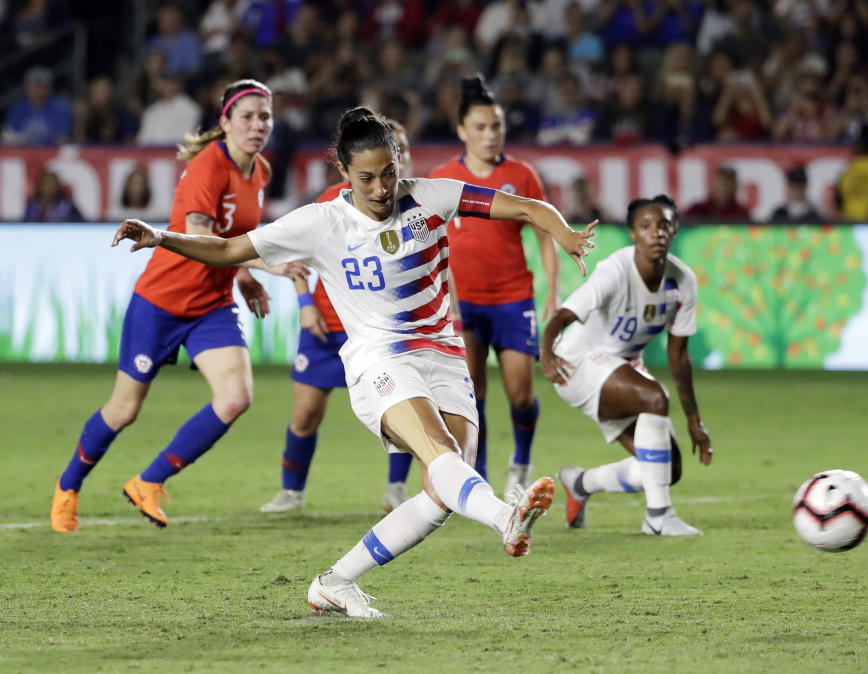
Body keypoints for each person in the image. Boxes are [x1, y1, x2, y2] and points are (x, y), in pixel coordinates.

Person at [110, 106, 596, 618]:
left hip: (445, 354)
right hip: (379, 359)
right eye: (367, 177)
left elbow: (524, 208)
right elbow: (230, 249)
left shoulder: (432, 195)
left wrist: (562, 233)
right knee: (442, 455)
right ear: (344, 173)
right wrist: (162, 237)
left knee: (440, 493)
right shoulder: (321, 224)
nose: (382, 187)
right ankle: (506, 518)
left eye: (389, 172)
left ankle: (335, 582)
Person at [50, 79, 306, 533]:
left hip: (212, 305)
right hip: (163, 301)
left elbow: (233, 236)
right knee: (124, 410)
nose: (257, 125)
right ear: (224, 121)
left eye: (264, 116)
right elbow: (203, 238)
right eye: (246, 116)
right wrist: (268, 265)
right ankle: (68, 485)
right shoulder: (209, 168)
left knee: (235, 398)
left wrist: (243, 275)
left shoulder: (260, 170)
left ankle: (149, 481)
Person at [260, 117, 418, 515]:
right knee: (306, 413)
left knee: (398, 414)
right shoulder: (334, 199)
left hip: (381, 332)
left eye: (396, 153)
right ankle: (291, 492)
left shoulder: (415, 207)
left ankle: (396, 489)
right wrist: (304, 303)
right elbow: (294, 253)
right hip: (327, 326)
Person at [542, 195, 713, 536]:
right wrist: (546, 351)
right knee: (655, 397)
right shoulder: (616, 270)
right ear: (633, 234)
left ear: (675, 230)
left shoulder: (682, 282)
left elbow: (679, 357)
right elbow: (563, 315)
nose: (656, 233)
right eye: (646, 226)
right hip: (576, 361)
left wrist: (695, 420)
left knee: (668, 469)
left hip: (621, 367)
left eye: (664, 225)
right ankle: (658, 517)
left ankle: (580, 482)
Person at [428, 74, 562, 504]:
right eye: (481, 127)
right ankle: (481, 475)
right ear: (462, 130)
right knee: (473, 392)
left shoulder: (521, 175)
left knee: (521, 391)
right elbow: (429, 242)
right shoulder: (443, 178)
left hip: (513, 297)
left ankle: (520, 463)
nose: (490, 135)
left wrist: (553, 294)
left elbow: (544, 234)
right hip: (463, 303)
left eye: (497, 127)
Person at [685, 165, 752, 222]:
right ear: (713, 184)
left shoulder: (742, 213)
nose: (724, 188)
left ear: (735, 187)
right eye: (721, 183)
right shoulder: (696, 210)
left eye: (728, 184)